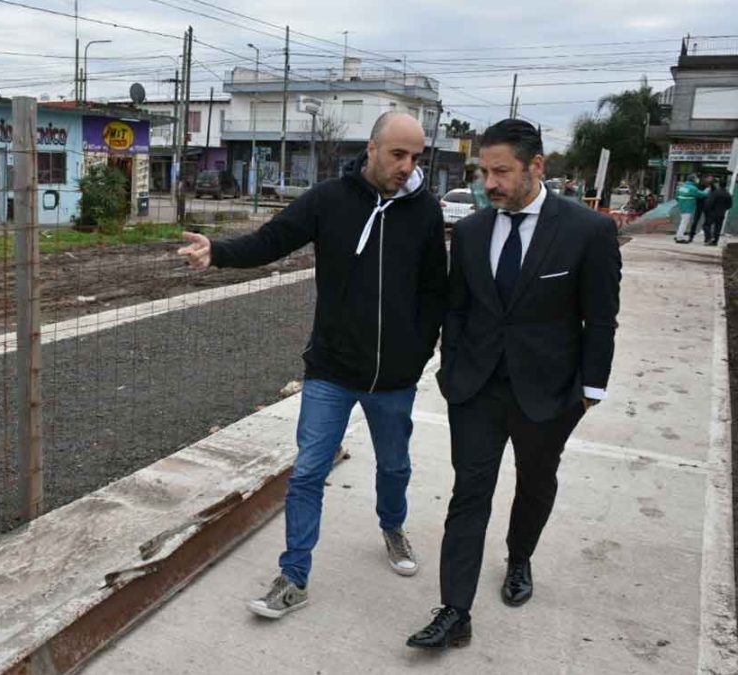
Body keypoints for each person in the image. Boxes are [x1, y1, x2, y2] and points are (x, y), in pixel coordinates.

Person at [178, 112, 448, 619]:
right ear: (371, 149)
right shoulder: (329, 200)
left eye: (416, 157)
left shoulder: (425, 211)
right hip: (331, 370)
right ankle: (294, 577)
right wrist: (217, 253)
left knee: (395, 466)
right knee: (306, 474)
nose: (407, 166)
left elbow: (435, 289)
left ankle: (393, 526)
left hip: (395, 377)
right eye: (398, 155)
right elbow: (271, 240)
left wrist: (419, 351)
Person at [406, 119, 621, 649]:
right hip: (476, 388)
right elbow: (458, 307)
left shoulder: (586, 231)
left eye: (501, 171)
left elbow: (601, 318)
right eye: (484, 172)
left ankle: (519, 557)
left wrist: (591, 388)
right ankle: (455, 611)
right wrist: (450, 365)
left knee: (535, 481)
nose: (490, 183)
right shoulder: (474, 230)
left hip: (548, 392)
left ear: (536, 168)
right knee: (469, 493)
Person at [675, 173, 710, 243]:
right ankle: (680, 238)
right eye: (696, 178)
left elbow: (677, 197)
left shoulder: (682, 187)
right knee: (684, 222)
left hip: (681, 206)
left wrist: (682, 202)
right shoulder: (693, 188)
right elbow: (703, 195)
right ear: (693, 179)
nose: (697, 179)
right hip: (688, 207)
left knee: (682, 221)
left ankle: (678, 235)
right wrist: (707, 189)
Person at [703, 177, 734, 246]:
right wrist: (724, 209)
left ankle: (709, 237)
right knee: (718, 228)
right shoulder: (727, 194)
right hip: (721, 213)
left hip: (713, 213)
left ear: (719, 184)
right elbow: (730, 205)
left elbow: (710, 203)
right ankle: (715, 241)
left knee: (706, 225)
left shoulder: (715, 193)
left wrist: (707, 210)